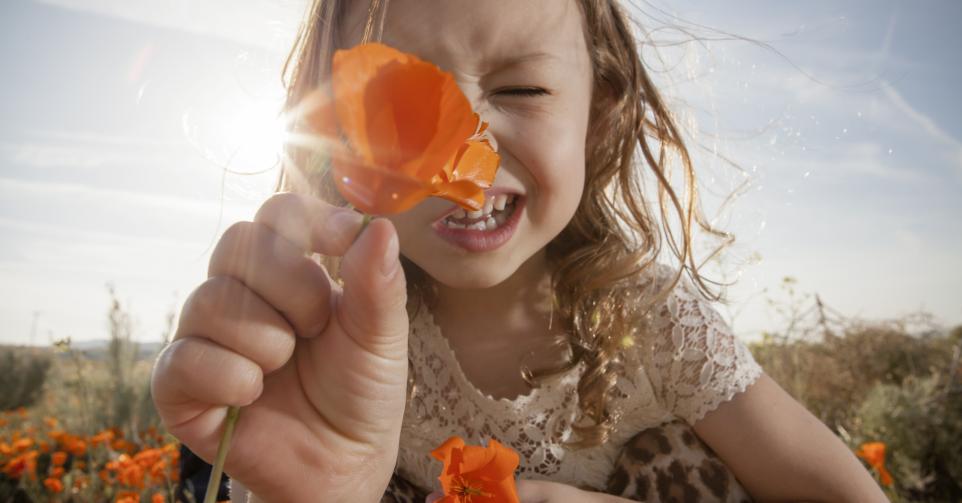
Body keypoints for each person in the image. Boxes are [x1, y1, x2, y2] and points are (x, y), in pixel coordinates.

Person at [151, 0, 890, 501]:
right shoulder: (329, 346)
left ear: (599, 114)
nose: (467, 144)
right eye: (399, 103)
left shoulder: (656, 324)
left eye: (525, 88)